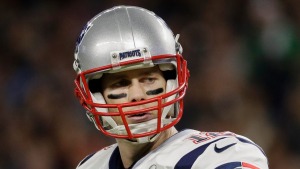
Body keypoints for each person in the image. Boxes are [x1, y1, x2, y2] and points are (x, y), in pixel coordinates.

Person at [73, 5, 269, 169]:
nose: (137, 95)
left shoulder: (221, 155)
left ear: (171, 81)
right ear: (95, 95)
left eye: (148, 79)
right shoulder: (90, 165)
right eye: (120, 83)